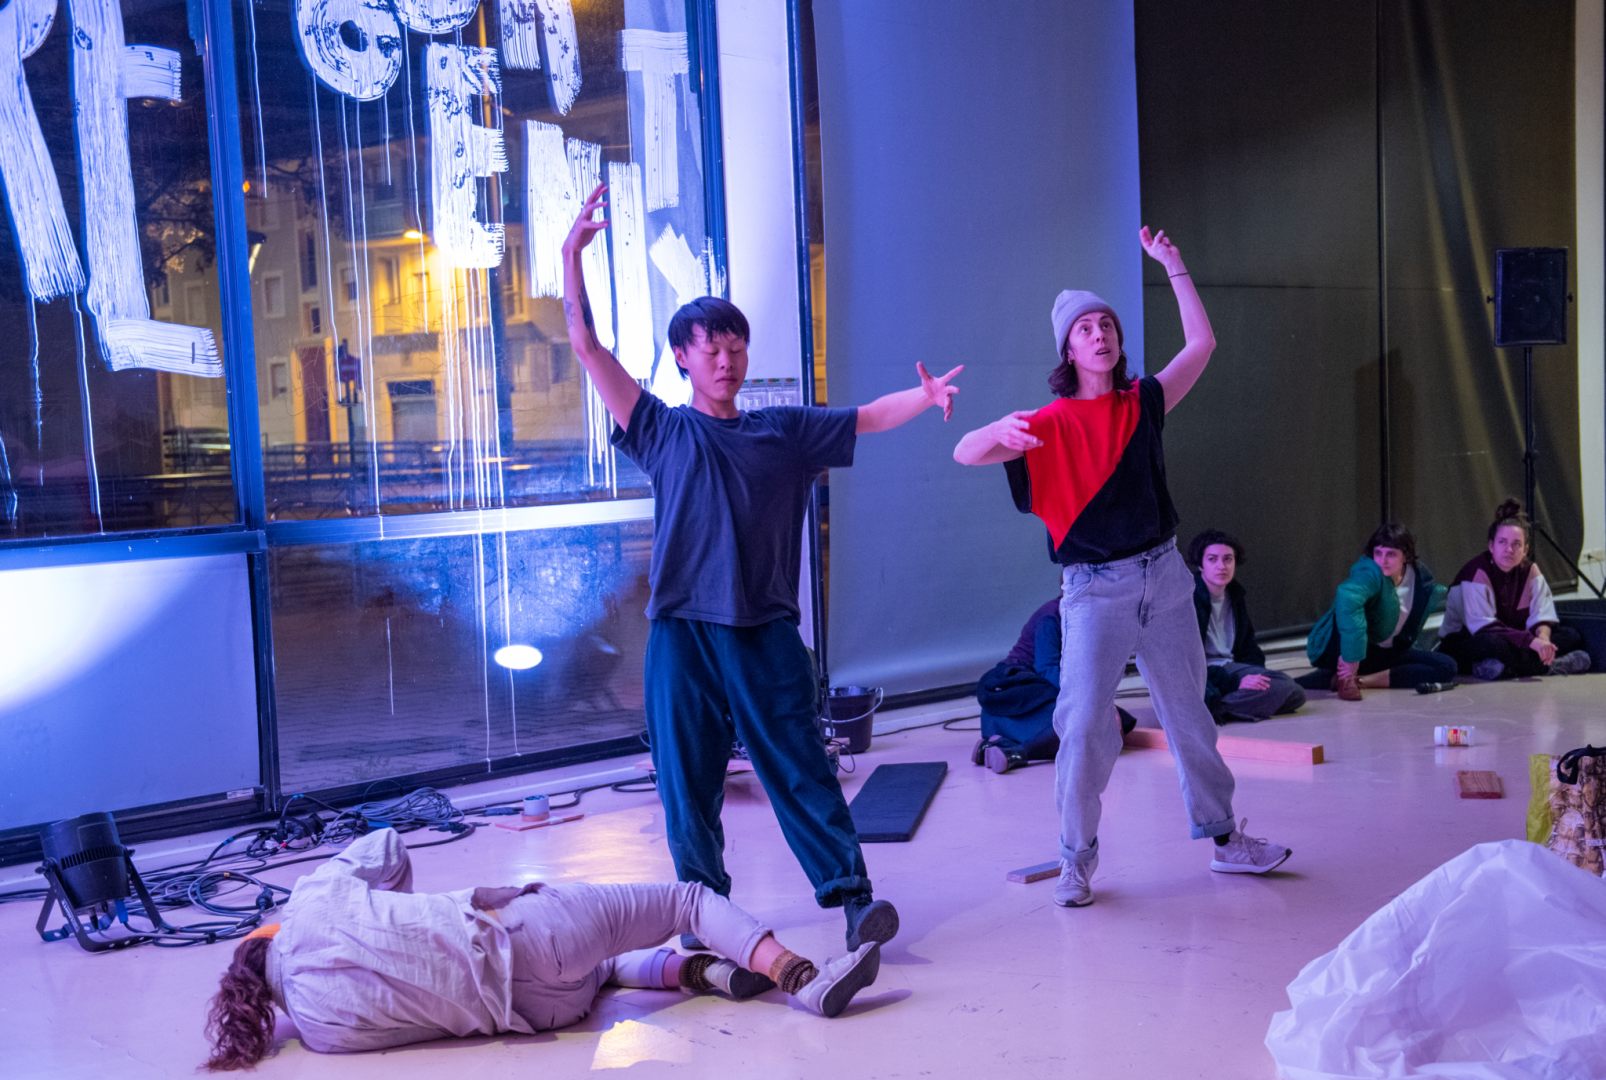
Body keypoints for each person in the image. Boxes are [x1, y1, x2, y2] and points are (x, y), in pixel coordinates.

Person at [562, 186, 961, 950]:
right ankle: (701, 914)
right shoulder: (659, 430)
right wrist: (569, 258)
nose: (724, 356)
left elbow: (868, 417)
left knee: (801, 766)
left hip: (765, 629)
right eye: (709, 346)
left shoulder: (785, 431)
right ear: (682, 357)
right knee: (688, 781)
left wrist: (925, 394)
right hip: (681, 632)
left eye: (735, 344)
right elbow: (587, 346)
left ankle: (852, 900)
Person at [952, 226, 1291, 909]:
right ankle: (1075, 860)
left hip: (1165, 579)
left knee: (1189, 715)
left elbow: (1202, 346)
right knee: (1080, 725)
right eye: (1085, 329)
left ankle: (1226, 841)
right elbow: (965, 451)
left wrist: (1174, 264)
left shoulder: (1144, 404)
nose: (1101, 335)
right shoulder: (1043, 423)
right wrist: (995, 434)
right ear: (1067, 349)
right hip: (1093, 592)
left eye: (1107, 324)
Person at [201, 829, 880, 1070]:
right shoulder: (310, 899)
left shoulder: (318, 1034)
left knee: (605, 969)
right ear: (268, 934)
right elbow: (387, 846)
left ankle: (697, 971)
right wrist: (405, 905)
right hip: (534, 932)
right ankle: (801, 976)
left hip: (540, 1014)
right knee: (687, 901)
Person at [974, 597, 1136, 774]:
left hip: (1021, 694)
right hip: (1016, 688)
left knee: (1113, 719)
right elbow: (1047, 668)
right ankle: (1017, 753)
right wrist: (1091, 697)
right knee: (1090, 721)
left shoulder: (1082, 617)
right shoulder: (1051, 617)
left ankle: (997, 745)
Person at [1299, 522, 1456, 700]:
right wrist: (1351, 659)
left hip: (1389, 654)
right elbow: (1348, 600)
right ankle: (1347, 674)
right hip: (1357, 651)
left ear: (1406, 556)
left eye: (1391, 554)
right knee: (1301, 683)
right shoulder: (1369, 574)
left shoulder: (1421, 581)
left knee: (1446, 666)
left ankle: (1362, 680)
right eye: (1378, 553)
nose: (1382, 560)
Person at [1438, 499, 1592, 679]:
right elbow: (1484, 628)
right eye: (1502, 542)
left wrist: (1543, 639)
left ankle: (1502, 669)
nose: (1509, 549)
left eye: (1516, 544)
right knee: (1491, 643)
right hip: (1470, 640)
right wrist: (1531, 642)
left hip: (1515, 640)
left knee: (1571, 635)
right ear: (1491, 546)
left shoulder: (1531, 571)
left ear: (1525, 549)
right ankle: (1549, 667)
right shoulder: (1474, 573)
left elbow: (1543, 616)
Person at [1186, 529, 1305, 722]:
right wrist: (1236, 682)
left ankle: (1217, 705)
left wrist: (1255, 677)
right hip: (1205, 673)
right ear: (1200, 564)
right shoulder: (1187, 598)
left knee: (1295, 694)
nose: (1221, 566)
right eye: (1212, 559)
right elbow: (1185, 663)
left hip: (1229, 666)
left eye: (1228, 559)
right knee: (1284, 686)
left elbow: (1248, 647)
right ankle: (1216, 705)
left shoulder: (1235, 596)